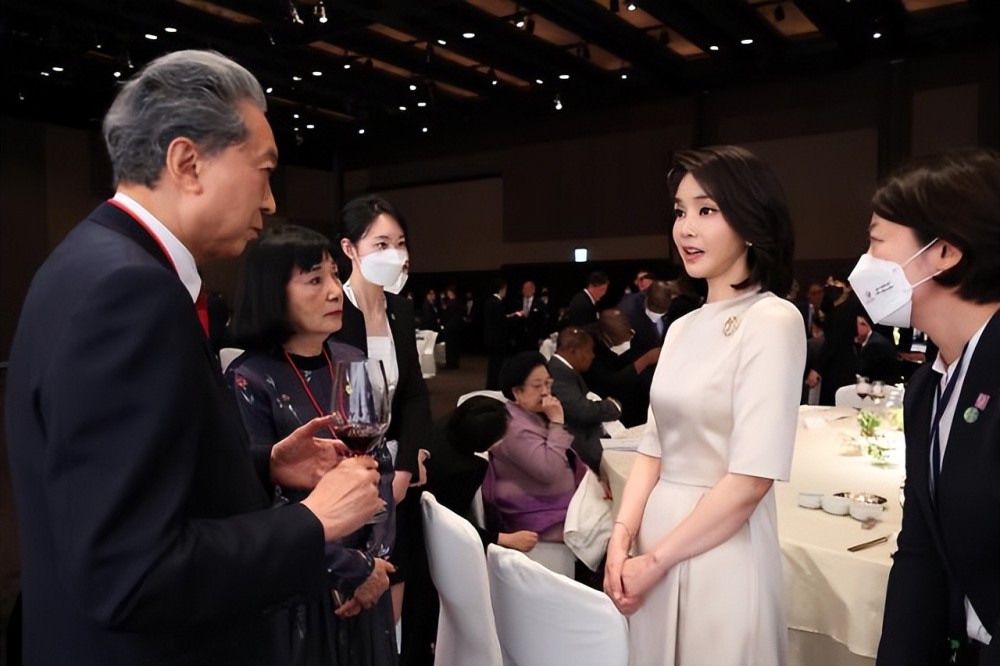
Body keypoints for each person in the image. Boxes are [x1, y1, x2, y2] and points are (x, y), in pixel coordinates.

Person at [3, 50, 383, 665]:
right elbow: (132, 571)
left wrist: (262, 466)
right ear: (187, 162)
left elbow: (119, 479)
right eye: (263, 171)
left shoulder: (89, 259)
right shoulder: (130, 292)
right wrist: (313, 520)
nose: (268, 201)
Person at [604, 145, 806, 665]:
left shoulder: (773, 319)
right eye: (680, 211)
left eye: (706, 210)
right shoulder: (684, 324)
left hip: (719, 546)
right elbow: (654, 445)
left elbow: (751, 479)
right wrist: (621, 538)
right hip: (653, 540)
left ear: (751, 220)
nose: (685, 228)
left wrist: (658, 559)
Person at [226, 224, 397, 666]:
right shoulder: (249, 380)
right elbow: (259, 501)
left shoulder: (351, 361)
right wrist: (352, 569)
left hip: (366, 576)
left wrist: (373, 563)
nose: (335, 291)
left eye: (335, 276)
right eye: (314, 279)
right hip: (299, 586)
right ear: (272, 291)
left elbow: (378, 464)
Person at [859, 148, 999, 666]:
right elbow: (920, 552)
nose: (864, 263)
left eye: (876, 240)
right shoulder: (928, 386)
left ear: (945, 252)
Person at [332, 194, 433, 654]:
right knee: (355, 590)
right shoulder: (335, 311)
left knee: (400, 576)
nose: (396, 254)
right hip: (349, 469)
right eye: (381, 244)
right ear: (350, 249)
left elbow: (412, 392)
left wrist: (409, 461)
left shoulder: (400, 309)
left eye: (401, 242)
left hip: (397, 469)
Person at [403, 396, 539, 664]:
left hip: (407, 521)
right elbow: (454, 526)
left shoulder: (440, 427)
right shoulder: (463, 469)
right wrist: (504, 539)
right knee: (421, 622)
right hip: (420, 546)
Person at [482, 351, 586, 544]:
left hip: (554, 508)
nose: (546, 391)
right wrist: (557, 423)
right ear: (516, 392)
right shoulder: (514, 428)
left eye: (548, 383)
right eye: (537, 386)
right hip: (539, 519)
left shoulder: (530, 414)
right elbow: (548, 472)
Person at [548, 327, 622, 473]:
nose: (592, 356)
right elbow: (582, 411)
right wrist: (612, 406)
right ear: (573, 351)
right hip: (579, 445)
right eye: (588, 351)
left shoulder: (565, 370)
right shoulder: (558, 373)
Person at [582, 308, 660, 428]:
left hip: (635, 396)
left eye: (628, 338)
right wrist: (646, 360)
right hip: (608, 396)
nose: (626, 344)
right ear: (606, 337)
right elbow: (609, 383)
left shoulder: (632, 331)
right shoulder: (589, 346)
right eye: (620, 341)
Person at [620, 278, 672, 356]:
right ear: (646, 297)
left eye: (662, 308)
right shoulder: (627, 313)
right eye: (655, 306)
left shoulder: (676, 308)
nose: (657, 311)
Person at [483, 277, 516, 390]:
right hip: (498, 339)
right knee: (497, 364)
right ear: (501, 289)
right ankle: (495, 386)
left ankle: (491, 385)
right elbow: (502, 322)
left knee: (492, 364)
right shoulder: (497, 303)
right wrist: (515, 317)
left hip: (490, 338)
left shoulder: (489, 302)